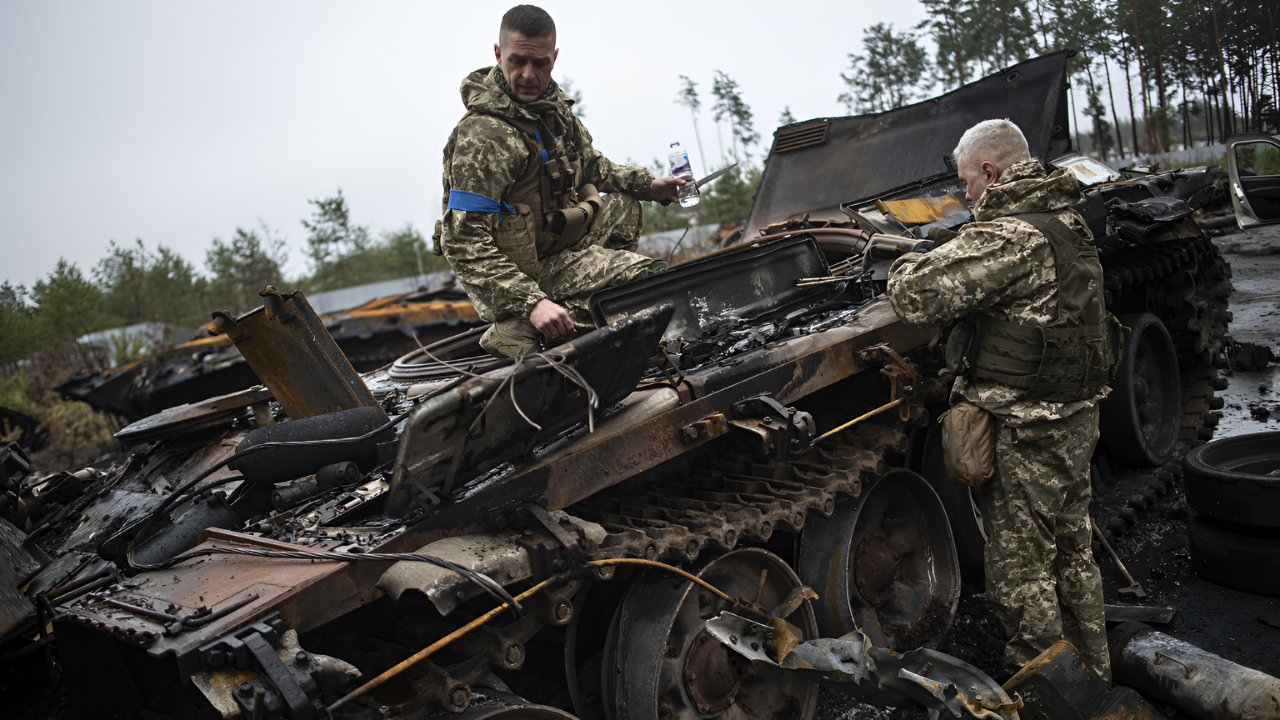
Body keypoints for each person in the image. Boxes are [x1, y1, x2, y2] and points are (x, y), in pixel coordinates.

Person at [885, 119, 1123, 680]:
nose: (966, 195)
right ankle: (1093, 676)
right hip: (1073, 416)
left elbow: (914, 296)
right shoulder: (1064, 216)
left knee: (1022, 575)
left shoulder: (1008, 237)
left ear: (990, 173)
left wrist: (910, 257)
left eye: (967, 181)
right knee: (1072, 553)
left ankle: (1045, 694)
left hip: (1026, 431)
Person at [437, 4, 683, 357]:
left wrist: (647, 185)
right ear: (498, 54)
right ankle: (522, 328)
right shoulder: (485, 136)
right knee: (648, 279)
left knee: (625, 206)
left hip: (554, 244)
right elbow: (463, 242)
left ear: (554, 58)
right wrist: (532, 301)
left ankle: (579, 300)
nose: (528, 75)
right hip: (519, 271)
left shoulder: (553, 111)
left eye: (540, 63)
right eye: (517, 61)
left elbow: (590, 166)